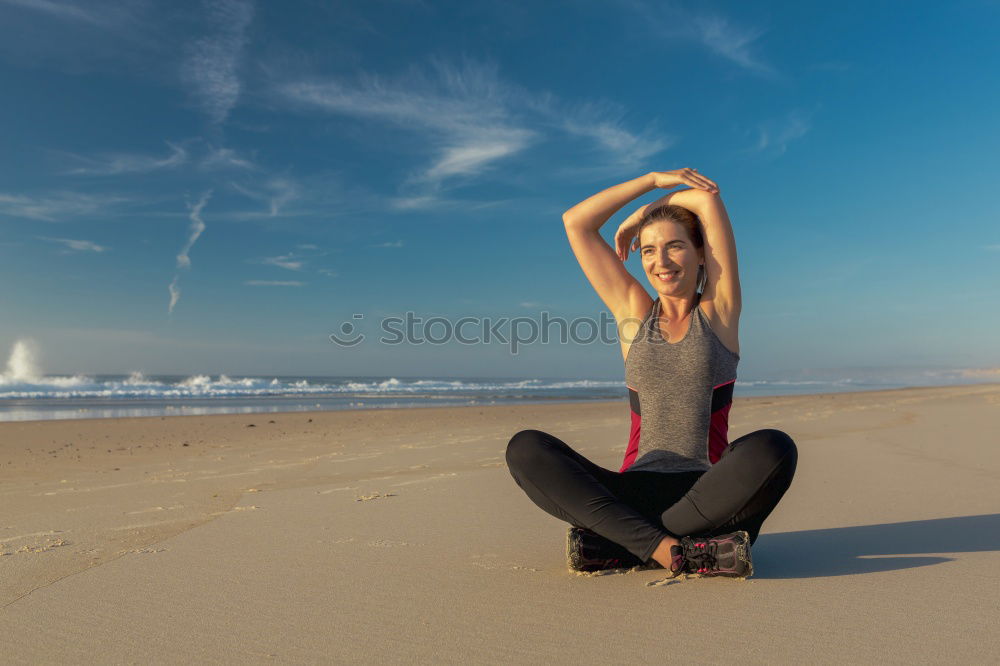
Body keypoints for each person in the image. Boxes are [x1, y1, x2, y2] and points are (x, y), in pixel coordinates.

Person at [505, 169, 798, 578]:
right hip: (631, 492)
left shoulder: (718, 312)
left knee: (775, 447)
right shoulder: (633, 314)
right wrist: (652, 181)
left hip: (705, 492)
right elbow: (577, 222)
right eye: (647, 250)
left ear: (700, 253)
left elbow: (706, 201)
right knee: (525, 448)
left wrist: (640, 217)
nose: (660, 261)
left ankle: (625, 545)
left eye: (674, 246)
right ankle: (681, 551)